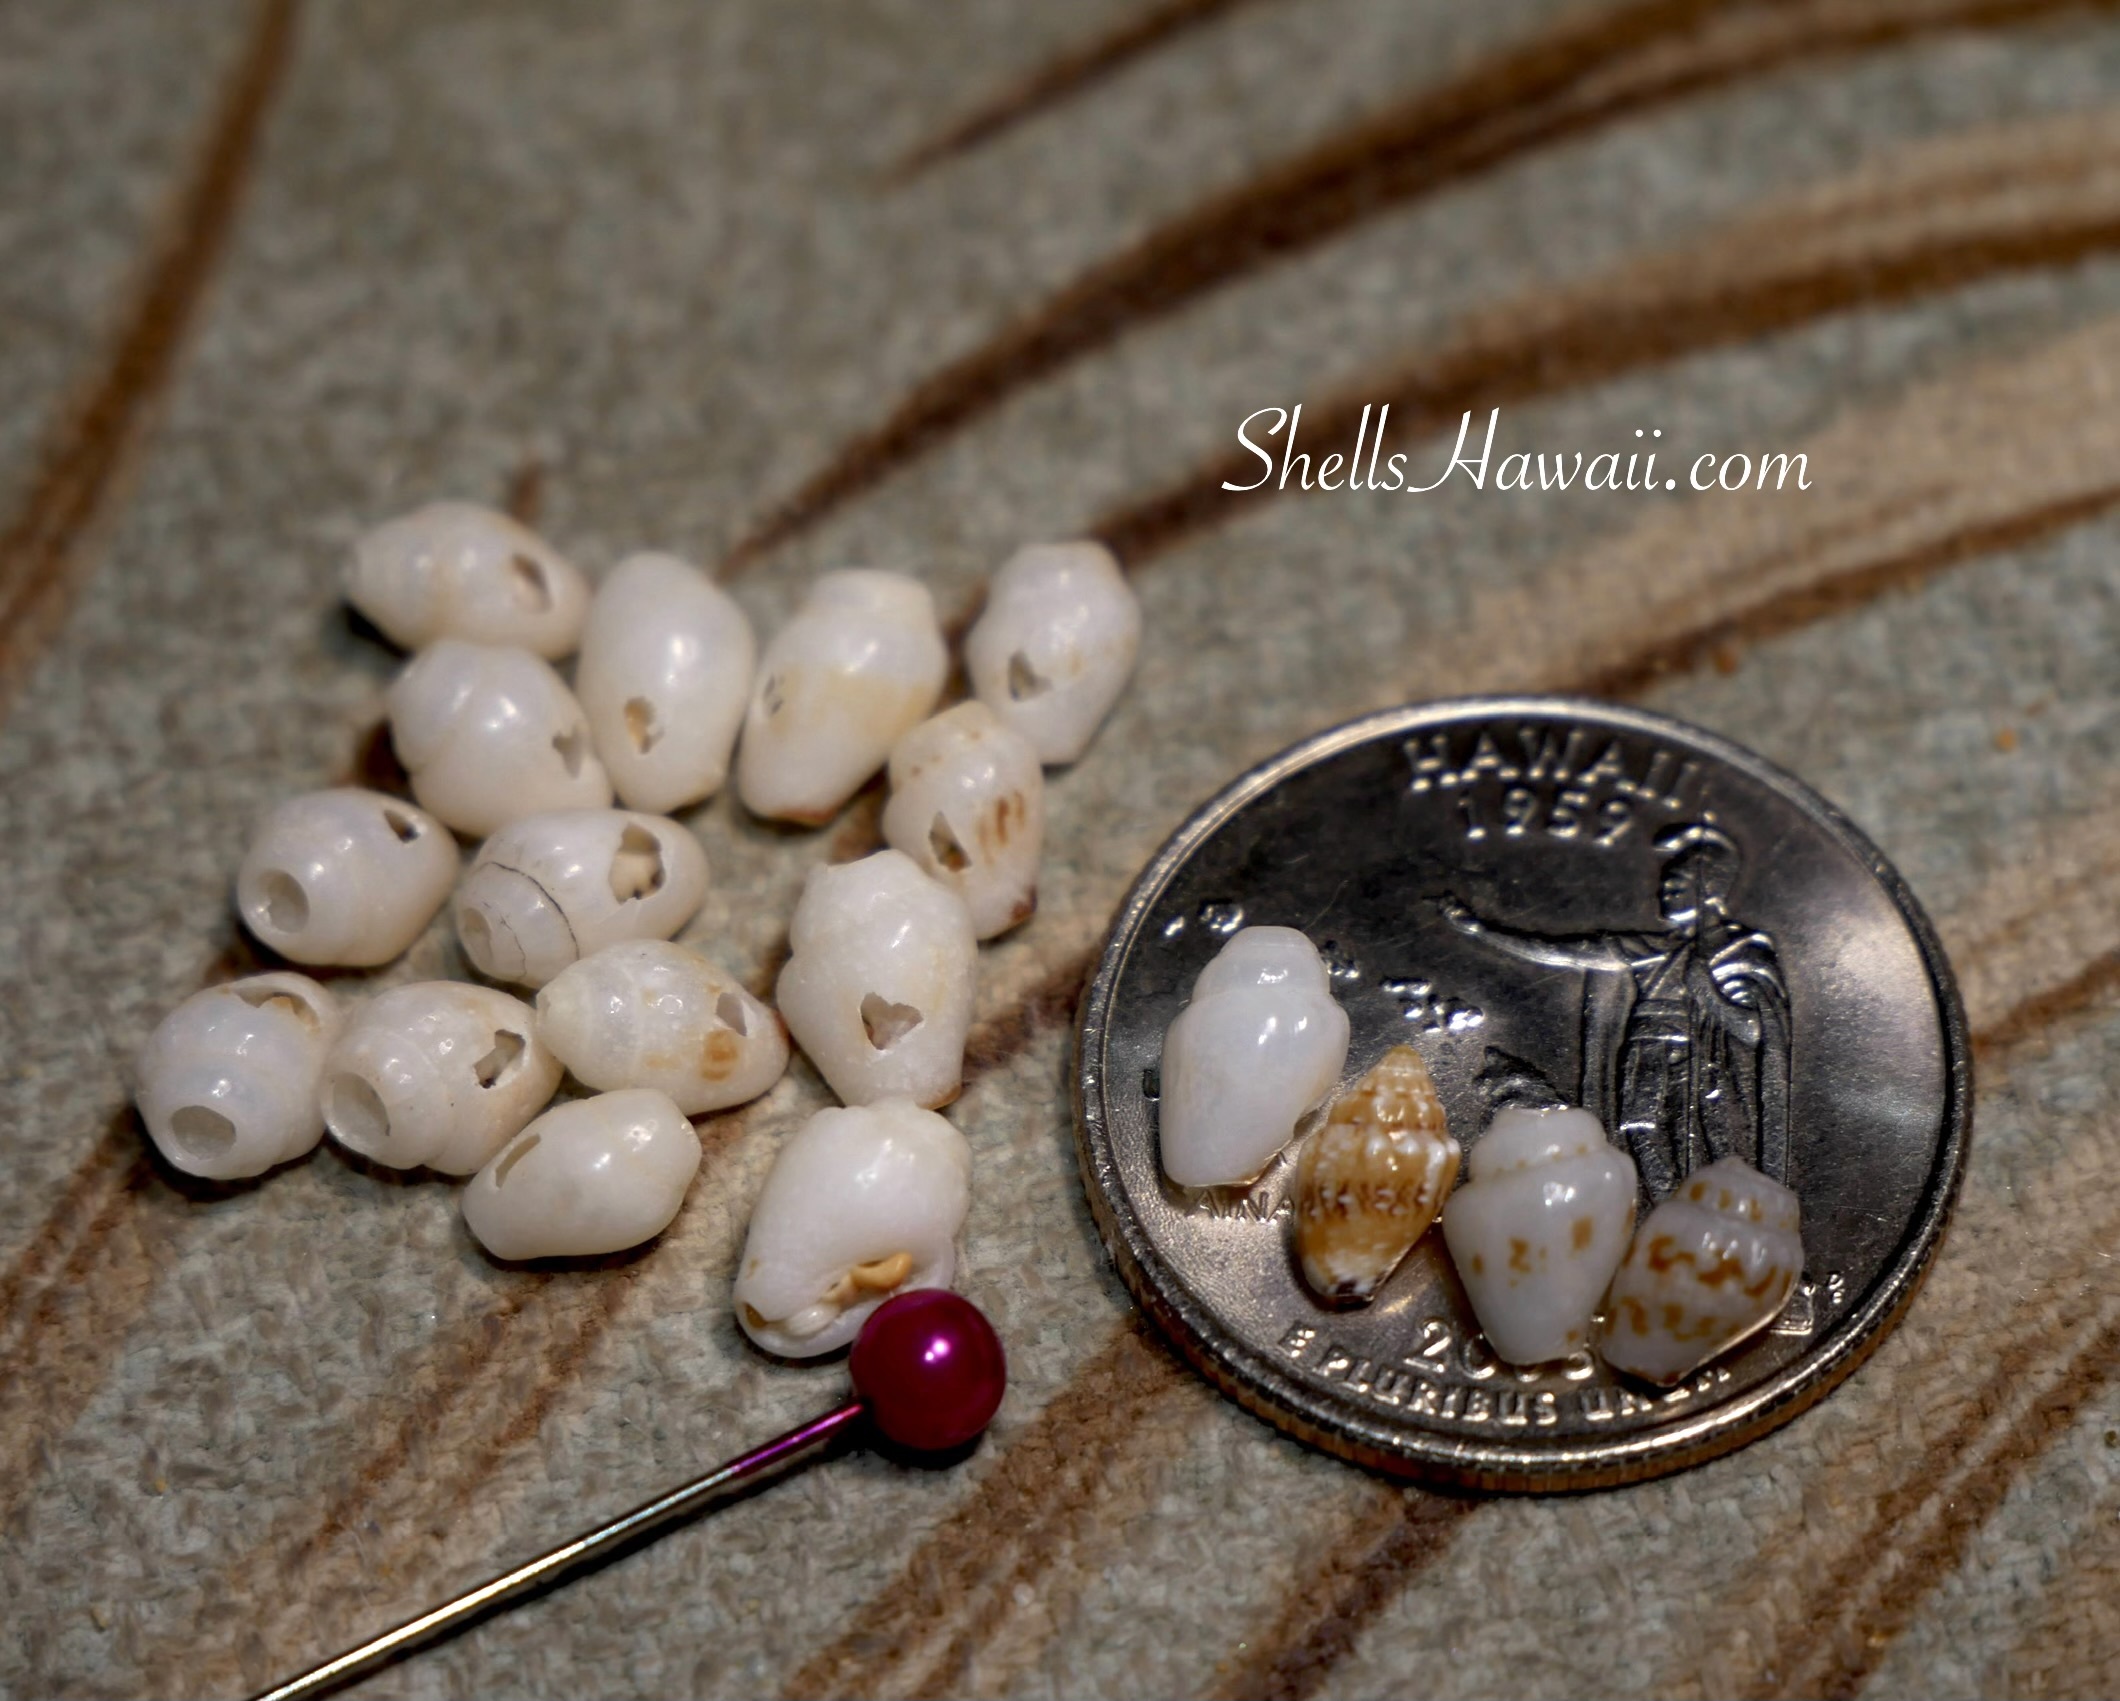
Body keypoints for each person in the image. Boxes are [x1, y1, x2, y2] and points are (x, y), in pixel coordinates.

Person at [1440, 824, 1790, 1200]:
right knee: (1639, 1129)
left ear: (1708, 891)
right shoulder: (1651, 949)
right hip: (1644, 1054)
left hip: (1697, 1063)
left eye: (1677, 885)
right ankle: (1668, 1209)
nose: (1663, 893)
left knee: (1704, 1138)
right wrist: (1482, 931)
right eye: (1665, 885)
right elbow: (1563, 952)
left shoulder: (1738, 952)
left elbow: (1755, 1032)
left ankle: (1713, 1208)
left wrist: (1706, 990)